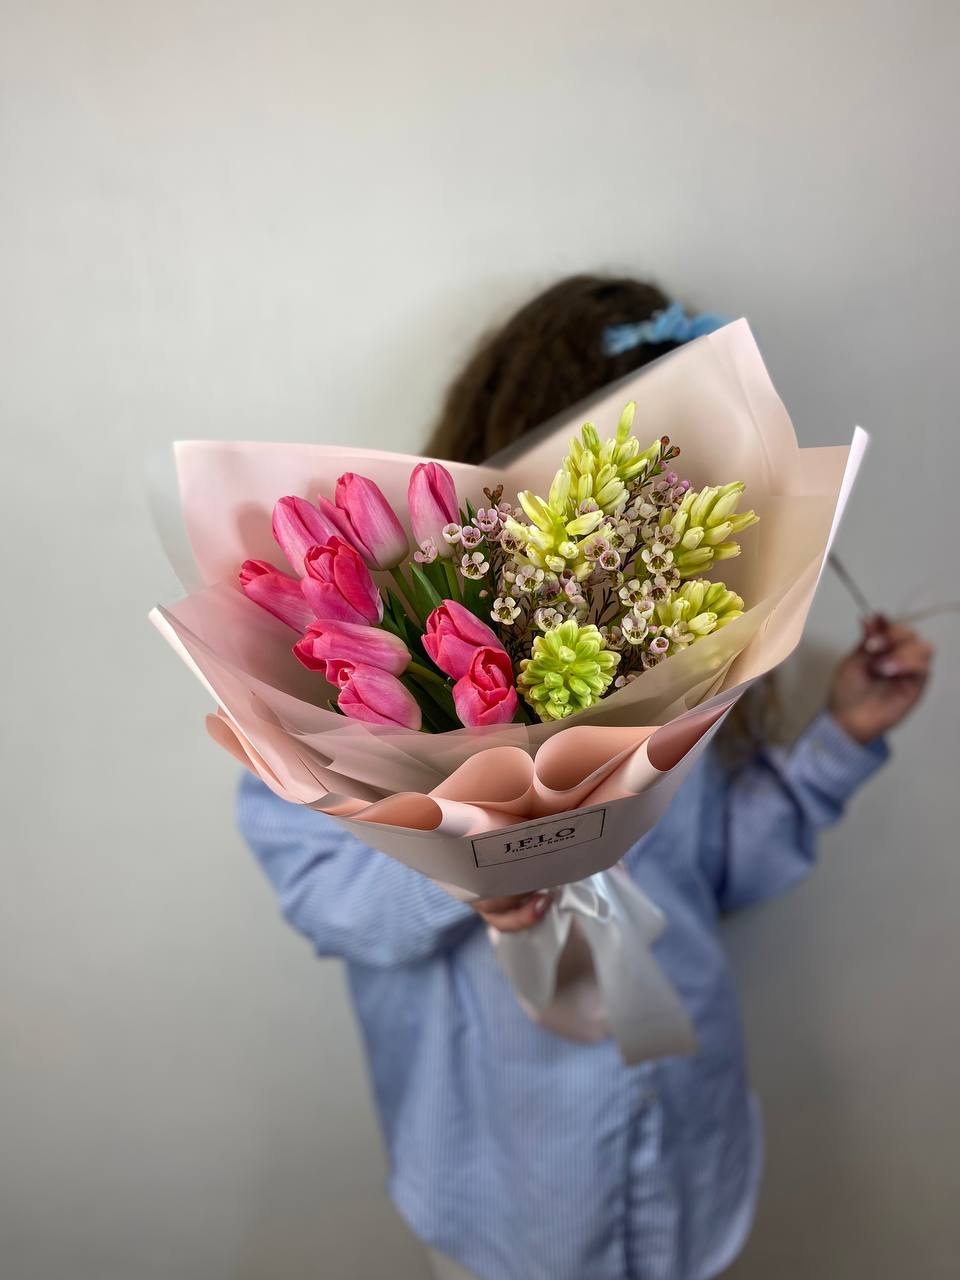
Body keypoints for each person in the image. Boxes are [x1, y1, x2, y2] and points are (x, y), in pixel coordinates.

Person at [236, 275, 933, 1280]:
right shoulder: (341, 686)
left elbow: (717, 872)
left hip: (691, 1171)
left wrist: (842, 736)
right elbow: (329, 898)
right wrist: (463, 869)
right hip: (501, 1202)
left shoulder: (685, 657)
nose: (632, 527)